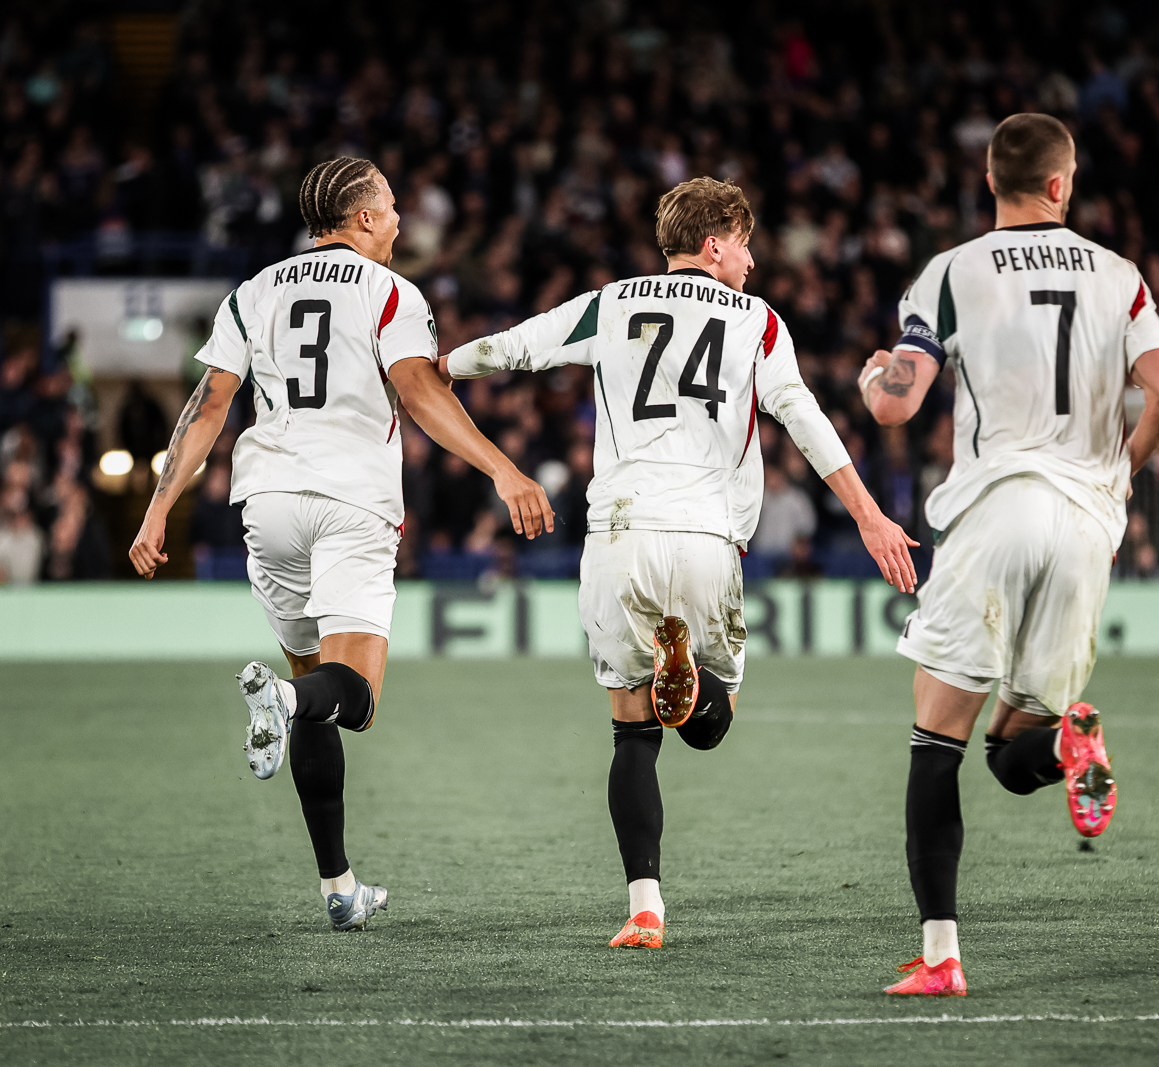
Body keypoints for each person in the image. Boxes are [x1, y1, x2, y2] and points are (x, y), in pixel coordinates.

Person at [444, 176, 918, 950]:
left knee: (631, 733)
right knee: (709, 726)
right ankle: (690, 683)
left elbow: (512, 347)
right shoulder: (759, 321)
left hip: (619, 534)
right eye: (745, 244)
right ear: (713, 243)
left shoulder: (610, 303)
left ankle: (645, 908)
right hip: (704, 535)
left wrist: (437, 367)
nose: (752, 261)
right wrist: (869, 515)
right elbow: (803, 417)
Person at [129, 157, 553, 931]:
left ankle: (338, 885)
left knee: (312, 693)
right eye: (390, 206)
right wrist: (503, 468)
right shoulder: (391, 291)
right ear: (362, 219)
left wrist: (159, 507)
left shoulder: (253, 291)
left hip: (267, 503)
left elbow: (209, 405)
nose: (398, 219)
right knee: (351, 696)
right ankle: (284, 701)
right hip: (351, 502)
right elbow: (420, 390)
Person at [858, 114, 1159, 995]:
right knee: (1013, 751)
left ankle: (941, 957)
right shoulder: (1119, 276)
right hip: (1085, 525)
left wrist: (872, 377)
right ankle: (1072, 745)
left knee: (938, 740)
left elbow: (896, 405)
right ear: (1059, 184)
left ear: (991, 183)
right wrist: (1117, 475)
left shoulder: (952, 272)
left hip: (997, 510)